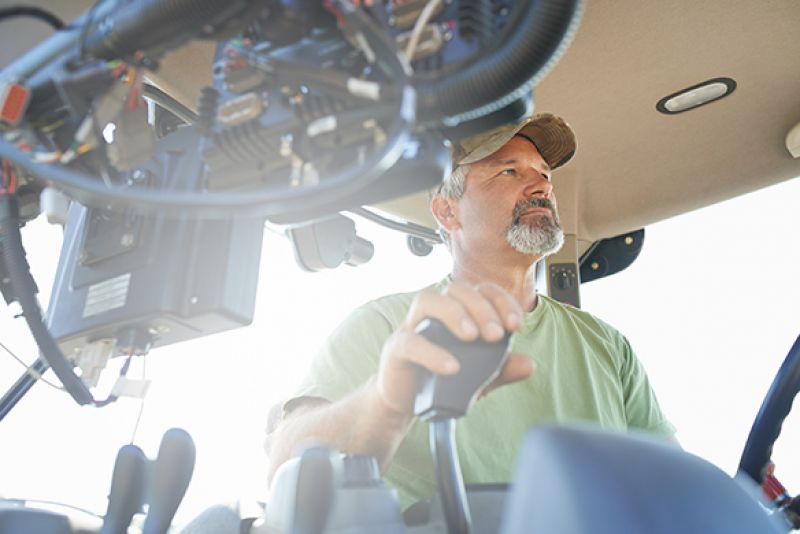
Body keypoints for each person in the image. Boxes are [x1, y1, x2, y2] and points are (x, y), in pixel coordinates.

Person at [267, 113, 676, 509]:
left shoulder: (608, 346)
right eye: (509, 172)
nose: (541, 186)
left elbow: (675, 487)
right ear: (447, 211)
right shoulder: (388, 326)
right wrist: (388, 400)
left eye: (544, 174)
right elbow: (286, 462)